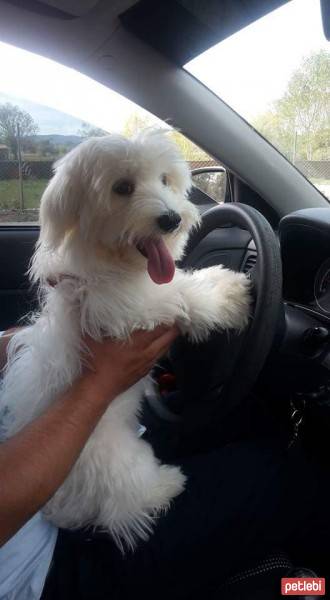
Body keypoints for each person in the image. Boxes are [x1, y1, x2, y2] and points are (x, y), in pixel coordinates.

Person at [0, 326, 329, 600]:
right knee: (283, 477)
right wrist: (99, 380)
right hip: (45, 561)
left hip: (50, 442)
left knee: (252, 415)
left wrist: (70, 332)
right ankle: (311, 585)